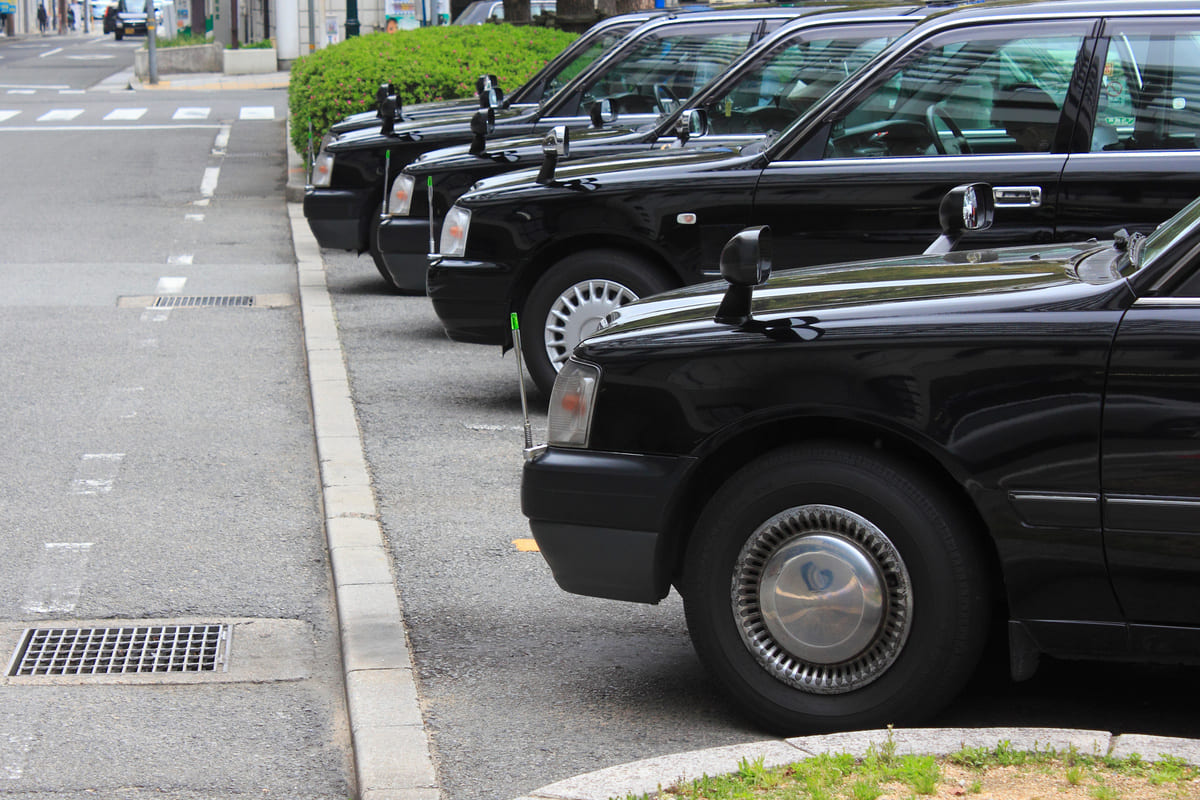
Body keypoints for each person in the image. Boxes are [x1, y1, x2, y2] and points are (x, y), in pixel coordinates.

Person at [991, 84, 1061, 153]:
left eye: (1015, 138)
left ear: (1032, 133)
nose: (1017, 143)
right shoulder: (1059, 150)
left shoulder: (1060, 157)